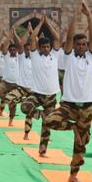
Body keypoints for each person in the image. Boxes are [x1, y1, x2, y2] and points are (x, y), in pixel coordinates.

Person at [43, 0, 92, 182]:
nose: (82, 47)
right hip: (68, 105)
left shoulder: (91, 57)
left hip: (87, 106)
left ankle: (73, 175)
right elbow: (69, 37)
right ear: (74, 46)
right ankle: (74, 126)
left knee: (81, 144)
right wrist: (75, 15)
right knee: (49, 120)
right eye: (78, 44)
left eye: (84, 44)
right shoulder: (67, 58)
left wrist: (88, 14)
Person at [22, 14, 62, 145]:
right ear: (39, 48)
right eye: (43, 47)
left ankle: (43, 150)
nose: (45, 49)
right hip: (37, 94)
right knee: (25, 107)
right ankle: (40, 115)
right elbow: (33, 38)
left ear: (50, 48)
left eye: (47, 47)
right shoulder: (35, 55)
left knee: (47, 125)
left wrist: (48, 24)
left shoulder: (55, 55)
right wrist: (40, 23)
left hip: (51, 95)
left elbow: (57, 38)